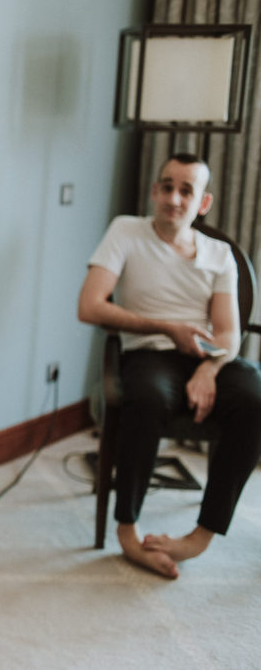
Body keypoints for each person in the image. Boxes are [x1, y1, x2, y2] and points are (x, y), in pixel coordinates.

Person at [77, 153, 261, 579]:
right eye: (167, 186)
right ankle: (128, 532)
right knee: (145, 397)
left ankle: (199, 537)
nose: (173, 198)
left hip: (204, 357)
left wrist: (209, 370)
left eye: (186, 190)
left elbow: (229, 334)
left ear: (203, 203)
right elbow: (89, 306)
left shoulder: (220, 254)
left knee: (255, 395)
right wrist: (167, 327)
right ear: (155, 190)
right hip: (149, 353)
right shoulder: (126, 231)